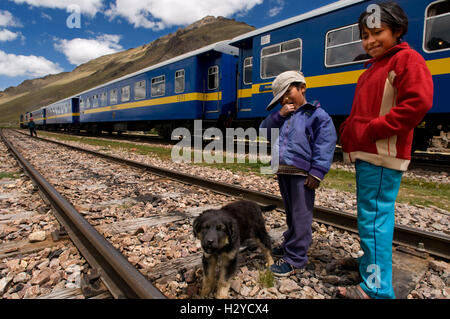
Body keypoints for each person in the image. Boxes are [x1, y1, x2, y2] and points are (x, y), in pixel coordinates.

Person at [337, 2, 433, 299]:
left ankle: (376, 289)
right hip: (370, 153)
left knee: (374, 218)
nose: (370, 41)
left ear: (398, 30)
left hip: (381, 153)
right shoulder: (375, 67)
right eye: (365, 35)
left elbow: (417, 104)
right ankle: (370, 266)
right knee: (371, 216)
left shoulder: (407, 60)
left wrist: (373, 129)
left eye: (377, 33)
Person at [260, 71, 337, 276]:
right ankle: (290, 244)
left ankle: (296, 259)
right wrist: (279, 114)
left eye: (289, 92)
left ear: (302, 88)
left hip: (303, 174)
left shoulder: (317, 115)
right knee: (291, 213)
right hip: (284, 170)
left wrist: (317, 171)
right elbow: (264, 131)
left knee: (301, 215)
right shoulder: (283, 116)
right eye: (281, 98)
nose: (286, 99)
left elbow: (325, 143)